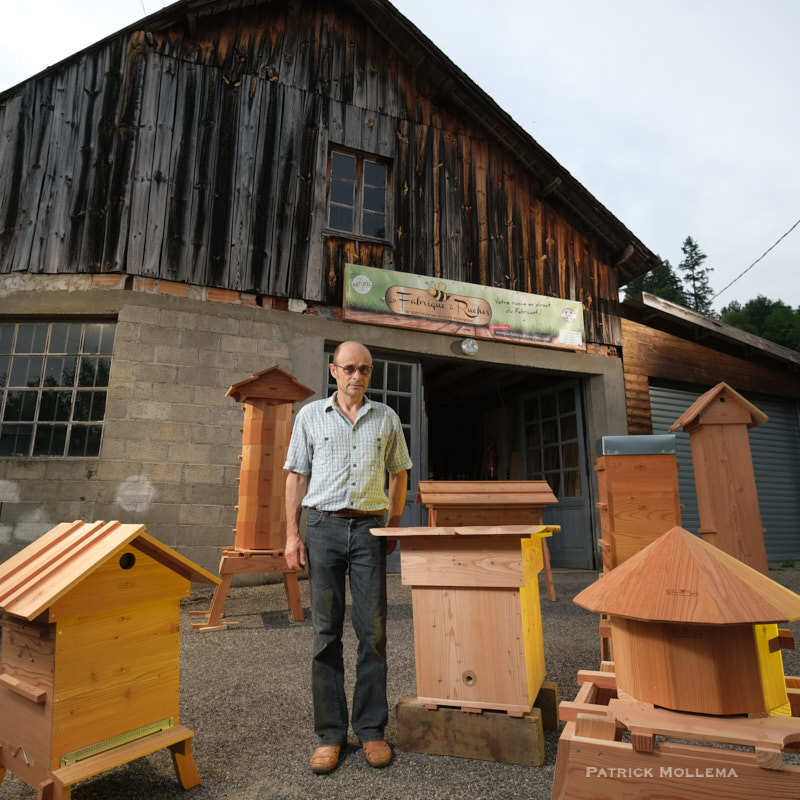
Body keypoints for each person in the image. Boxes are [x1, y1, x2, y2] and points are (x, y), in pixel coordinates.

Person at [283, 341, 412, 775]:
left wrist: (392, 524)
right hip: (322, 527)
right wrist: (291, 535)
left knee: (373, 632)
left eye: (365, 370)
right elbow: (296, 475)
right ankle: (331, 734)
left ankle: (372, 730)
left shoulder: (387, 419)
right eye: (349, 369)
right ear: (334, 372)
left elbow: (400, 472)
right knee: (326, 631)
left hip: (370, 530)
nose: (357, 376)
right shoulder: (309, 417)